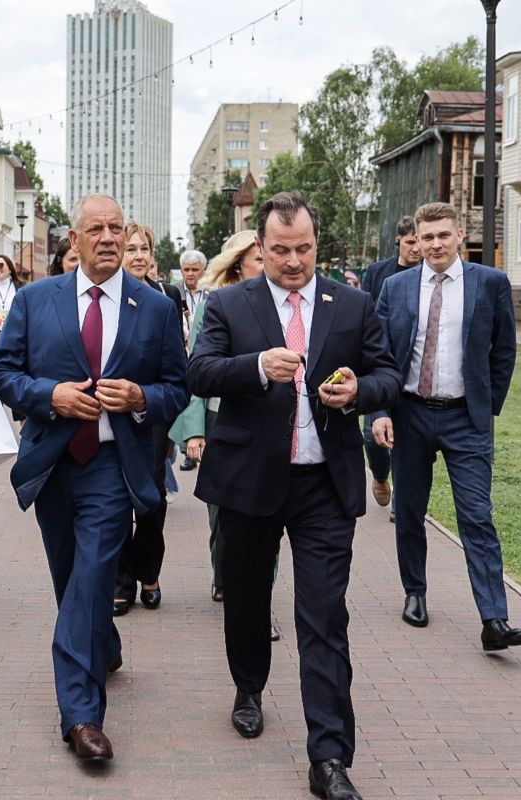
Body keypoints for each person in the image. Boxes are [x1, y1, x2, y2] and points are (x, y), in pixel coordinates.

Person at [189, 191, 401, 800]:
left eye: (303, 248)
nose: (292, 261)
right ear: (261, 247)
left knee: (324, 616)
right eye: (280, 251)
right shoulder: (231, 302)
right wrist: (256, 366)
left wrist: (361, 388)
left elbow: (388, 378)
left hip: (323, 487)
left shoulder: (353, 303)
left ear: (317, 244)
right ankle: (249, 685)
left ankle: (330, 758)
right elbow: (198, 372)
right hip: (249, 482)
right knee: (249, 601)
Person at [0, 195, 188, 761]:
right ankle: (104, 643)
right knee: (70, 578)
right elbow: (3, 373)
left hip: (109, 465)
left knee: (95, 572)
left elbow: (179, 385)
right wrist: (48, 395)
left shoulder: (154, 308)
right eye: (94, 229)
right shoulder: (34, 301)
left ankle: (81, 715)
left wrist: (143, 397)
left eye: (116, 228)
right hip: (52, 464)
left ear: (126, 237)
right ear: (73, 240)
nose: (107, 237)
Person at [371, 201, 521, 651]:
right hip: (410, 413)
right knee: (410, 511)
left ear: (460, 235)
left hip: (466, 419)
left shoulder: (490, 283)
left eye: (443, 235)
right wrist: (380, 411)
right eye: (426, 237)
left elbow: (505, 350)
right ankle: (415, 592)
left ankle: (494, 618)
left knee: (477, 517)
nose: (435, 244)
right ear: (415, 241)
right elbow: (379, 356)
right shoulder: (397, 288)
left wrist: (486, 406)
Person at [168, 230, 264, 602]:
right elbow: (196, 370)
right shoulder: (215, 305)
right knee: (221, 514)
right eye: (259, 258)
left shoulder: (286, 305)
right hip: (218, 421)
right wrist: (194, 431)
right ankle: (223, 573)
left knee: (263, 516)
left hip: (266, 423)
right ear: (238, 266)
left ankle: (258, 594)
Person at [111, 222, 179, 616]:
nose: (137, 255)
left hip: (152, 412)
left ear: (152, 256)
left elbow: (176, 366)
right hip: (113, 412)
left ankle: (149, 572)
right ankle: (122, 580)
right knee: (116, 496)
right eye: (130, 248)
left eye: (143, 249)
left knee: (151, 498)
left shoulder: (165, 299)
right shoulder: (109, 297)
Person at [361, 216, 422, 516]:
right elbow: (364, 314)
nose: (416, 248)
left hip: (413, 371)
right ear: (399, 240)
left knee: (407, 440)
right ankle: (380, 474)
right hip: (378, 364)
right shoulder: (377, 273)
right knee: (372, 437)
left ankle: (402, 502)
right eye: (410, 242)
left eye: (418, 241)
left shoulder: (430, 273)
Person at [176, 249, 209, 472]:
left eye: (194, 270)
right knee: (185, 401)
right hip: (182, 354)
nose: (190, 274)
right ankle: (186, 449)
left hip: (204, 354)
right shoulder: (175, 292)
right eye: (186, 270)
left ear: (203, 271)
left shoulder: (212, 292)